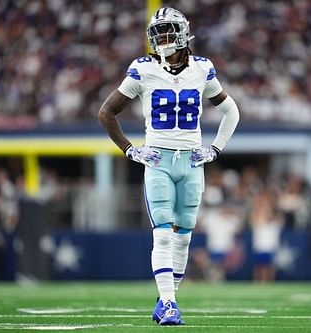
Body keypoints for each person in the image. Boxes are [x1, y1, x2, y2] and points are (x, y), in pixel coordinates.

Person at [98, 7, 239, 325]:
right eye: (156, 32)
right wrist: (131, 151)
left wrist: (215, 149)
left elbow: (232, 111)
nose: (160, 38)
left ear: (183, 33)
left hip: (191, 161)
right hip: (159, 160)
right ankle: (171, 304)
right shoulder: (143, 69)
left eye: (167, 31)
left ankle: (166, 299)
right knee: (162, 235)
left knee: (184, 236)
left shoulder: (202, 68)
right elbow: (107, 112)